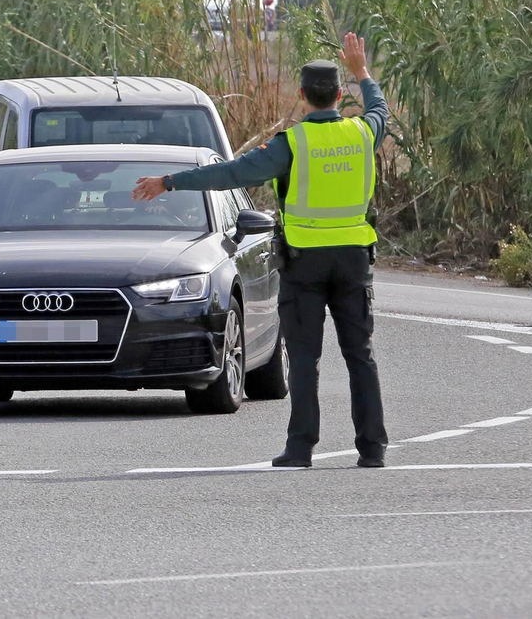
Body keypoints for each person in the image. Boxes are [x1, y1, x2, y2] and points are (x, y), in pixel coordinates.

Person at [132, 32, 389, 469]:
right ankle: (373, 449)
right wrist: (362, 70)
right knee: (360, 355)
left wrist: (169, 182)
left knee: (305, 359)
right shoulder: (363, 132)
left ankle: (301, 448)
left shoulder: (292, 144)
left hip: (305, 261)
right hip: (353, 260)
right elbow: (380, 109)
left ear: (302, 96)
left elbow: (232, 174)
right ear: (340, 96)